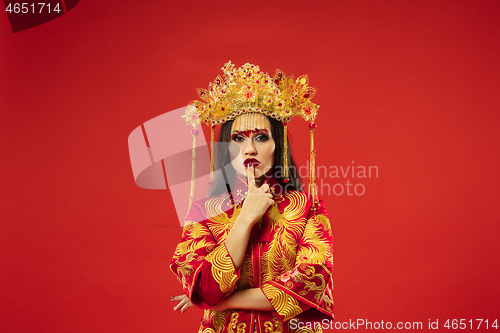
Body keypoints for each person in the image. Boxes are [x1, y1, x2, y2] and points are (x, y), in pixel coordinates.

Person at [170, 62, 333, 333]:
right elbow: (206, 289)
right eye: (237, 138)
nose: (249, 149)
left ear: (277, 145)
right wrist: (245, 219)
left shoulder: (306, 208)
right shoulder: (204, 212)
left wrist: (225, 302)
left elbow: (310, 281)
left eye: (260, 137)